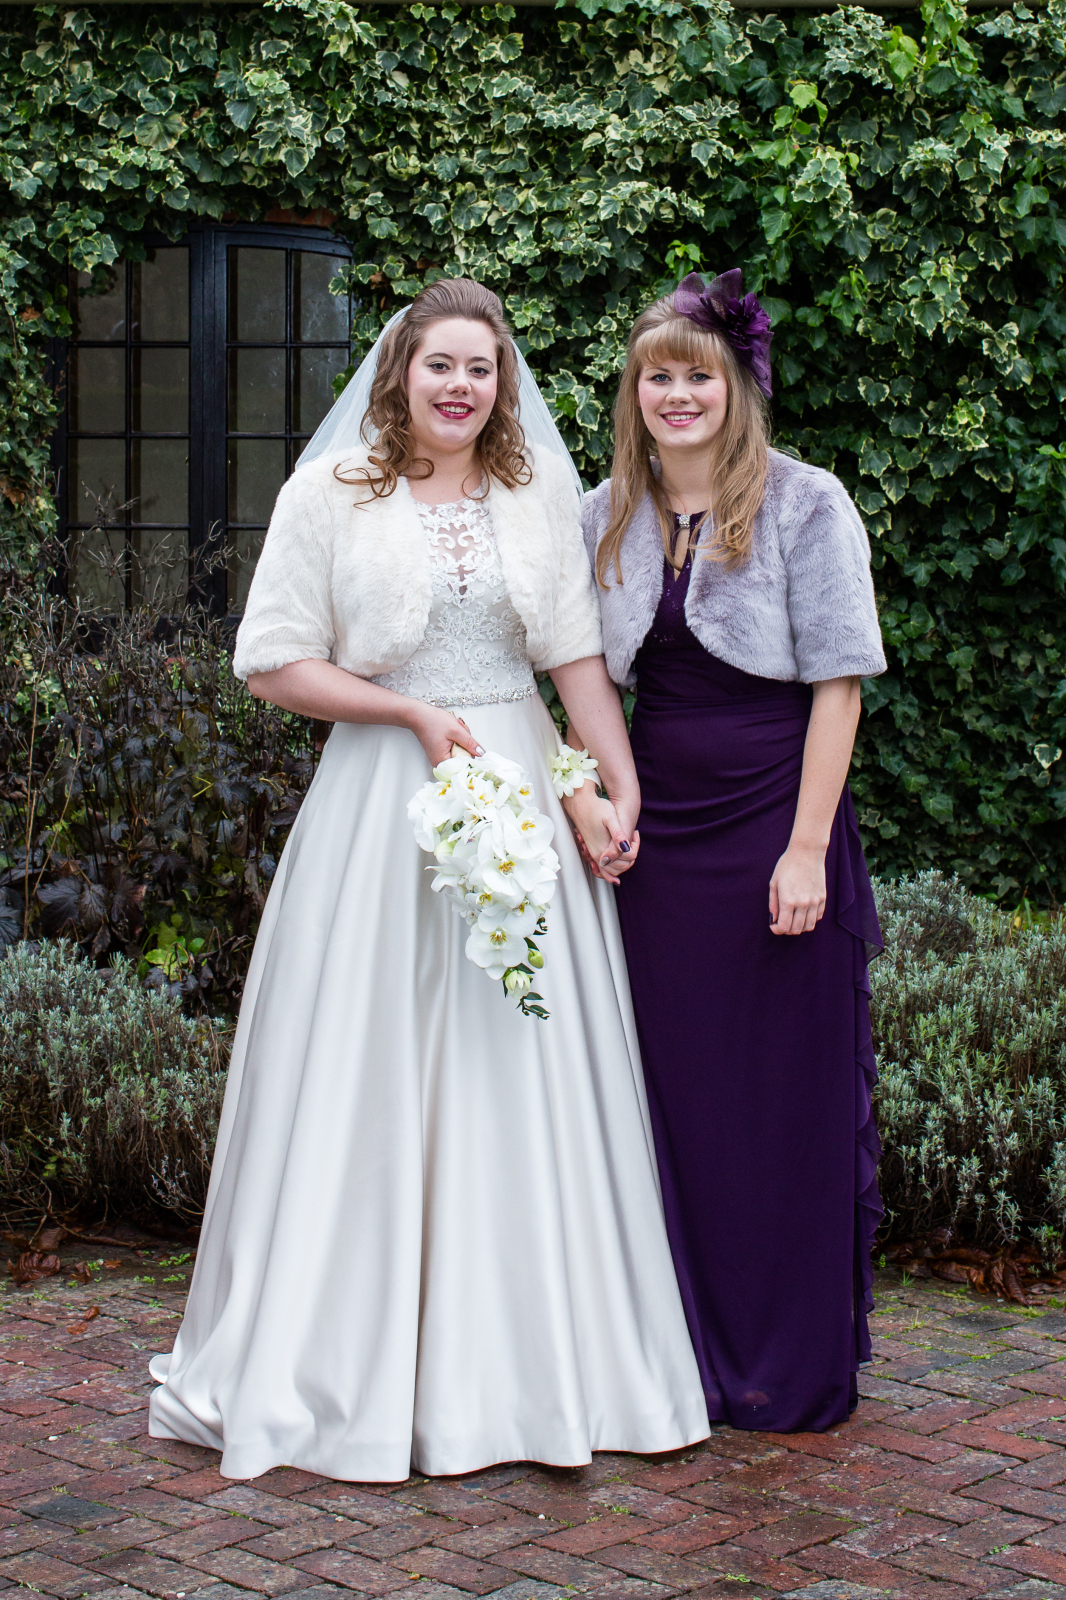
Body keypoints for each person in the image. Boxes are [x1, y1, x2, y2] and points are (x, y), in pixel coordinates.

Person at [148, 276, 709, 1482]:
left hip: (521, 785)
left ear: (503, 385)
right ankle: (350, 1360)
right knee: (371, 1060)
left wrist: (617, 787)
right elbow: (271, 660)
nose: (461, 386)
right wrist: (405, 712)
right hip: (380, 799)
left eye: (481, 368)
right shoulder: (329, 493)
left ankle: (528, 1366)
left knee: (520, 1059)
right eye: (440, 363)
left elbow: (572, 657)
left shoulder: (533, 489)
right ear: (399, 372)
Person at [581, 270, 887, 1434]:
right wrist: (590, 796)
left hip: (773, 825)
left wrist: (806, 849)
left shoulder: (808, 504)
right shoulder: (603, 513)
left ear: (737, 387)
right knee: (679, 1098)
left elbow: (839, 686)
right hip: (657, 848)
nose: (676, 394)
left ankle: (783, 1364)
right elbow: (574, 680)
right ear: (635, 392)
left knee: (779, 1099)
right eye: (657, 376)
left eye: (696, 376)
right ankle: (682, 1362)